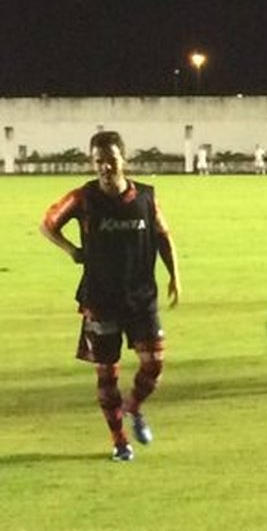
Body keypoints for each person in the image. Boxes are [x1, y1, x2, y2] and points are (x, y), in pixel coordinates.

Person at [40, 131, 181, 462]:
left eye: (111, 160)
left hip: (141, 296)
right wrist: (72, 250)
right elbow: (48, 223)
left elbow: (163, 236)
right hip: (100, 298)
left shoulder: (145, 197)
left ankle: (133, 407)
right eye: (98, 161)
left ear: (124, 160)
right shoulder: (83, 198)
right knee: (107, 372)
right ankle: (120, 442)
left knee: (154, 364)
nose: (104, 167)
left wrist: (176, 275)